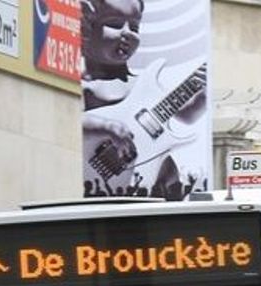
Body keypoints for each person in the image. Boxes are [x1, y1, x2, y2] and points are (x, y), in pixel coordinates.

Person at [80, 0, 205, 198]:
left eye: (134, 27)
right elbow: (67, 124)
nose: (127, 33)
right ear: (86, 27)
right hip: (98, 178)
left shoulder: (143, 83)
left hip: (151, 182)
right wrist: (108, 127)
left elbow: (185, 114)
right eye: (114, 24)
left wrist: (201, 97)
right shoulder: (85, 87)